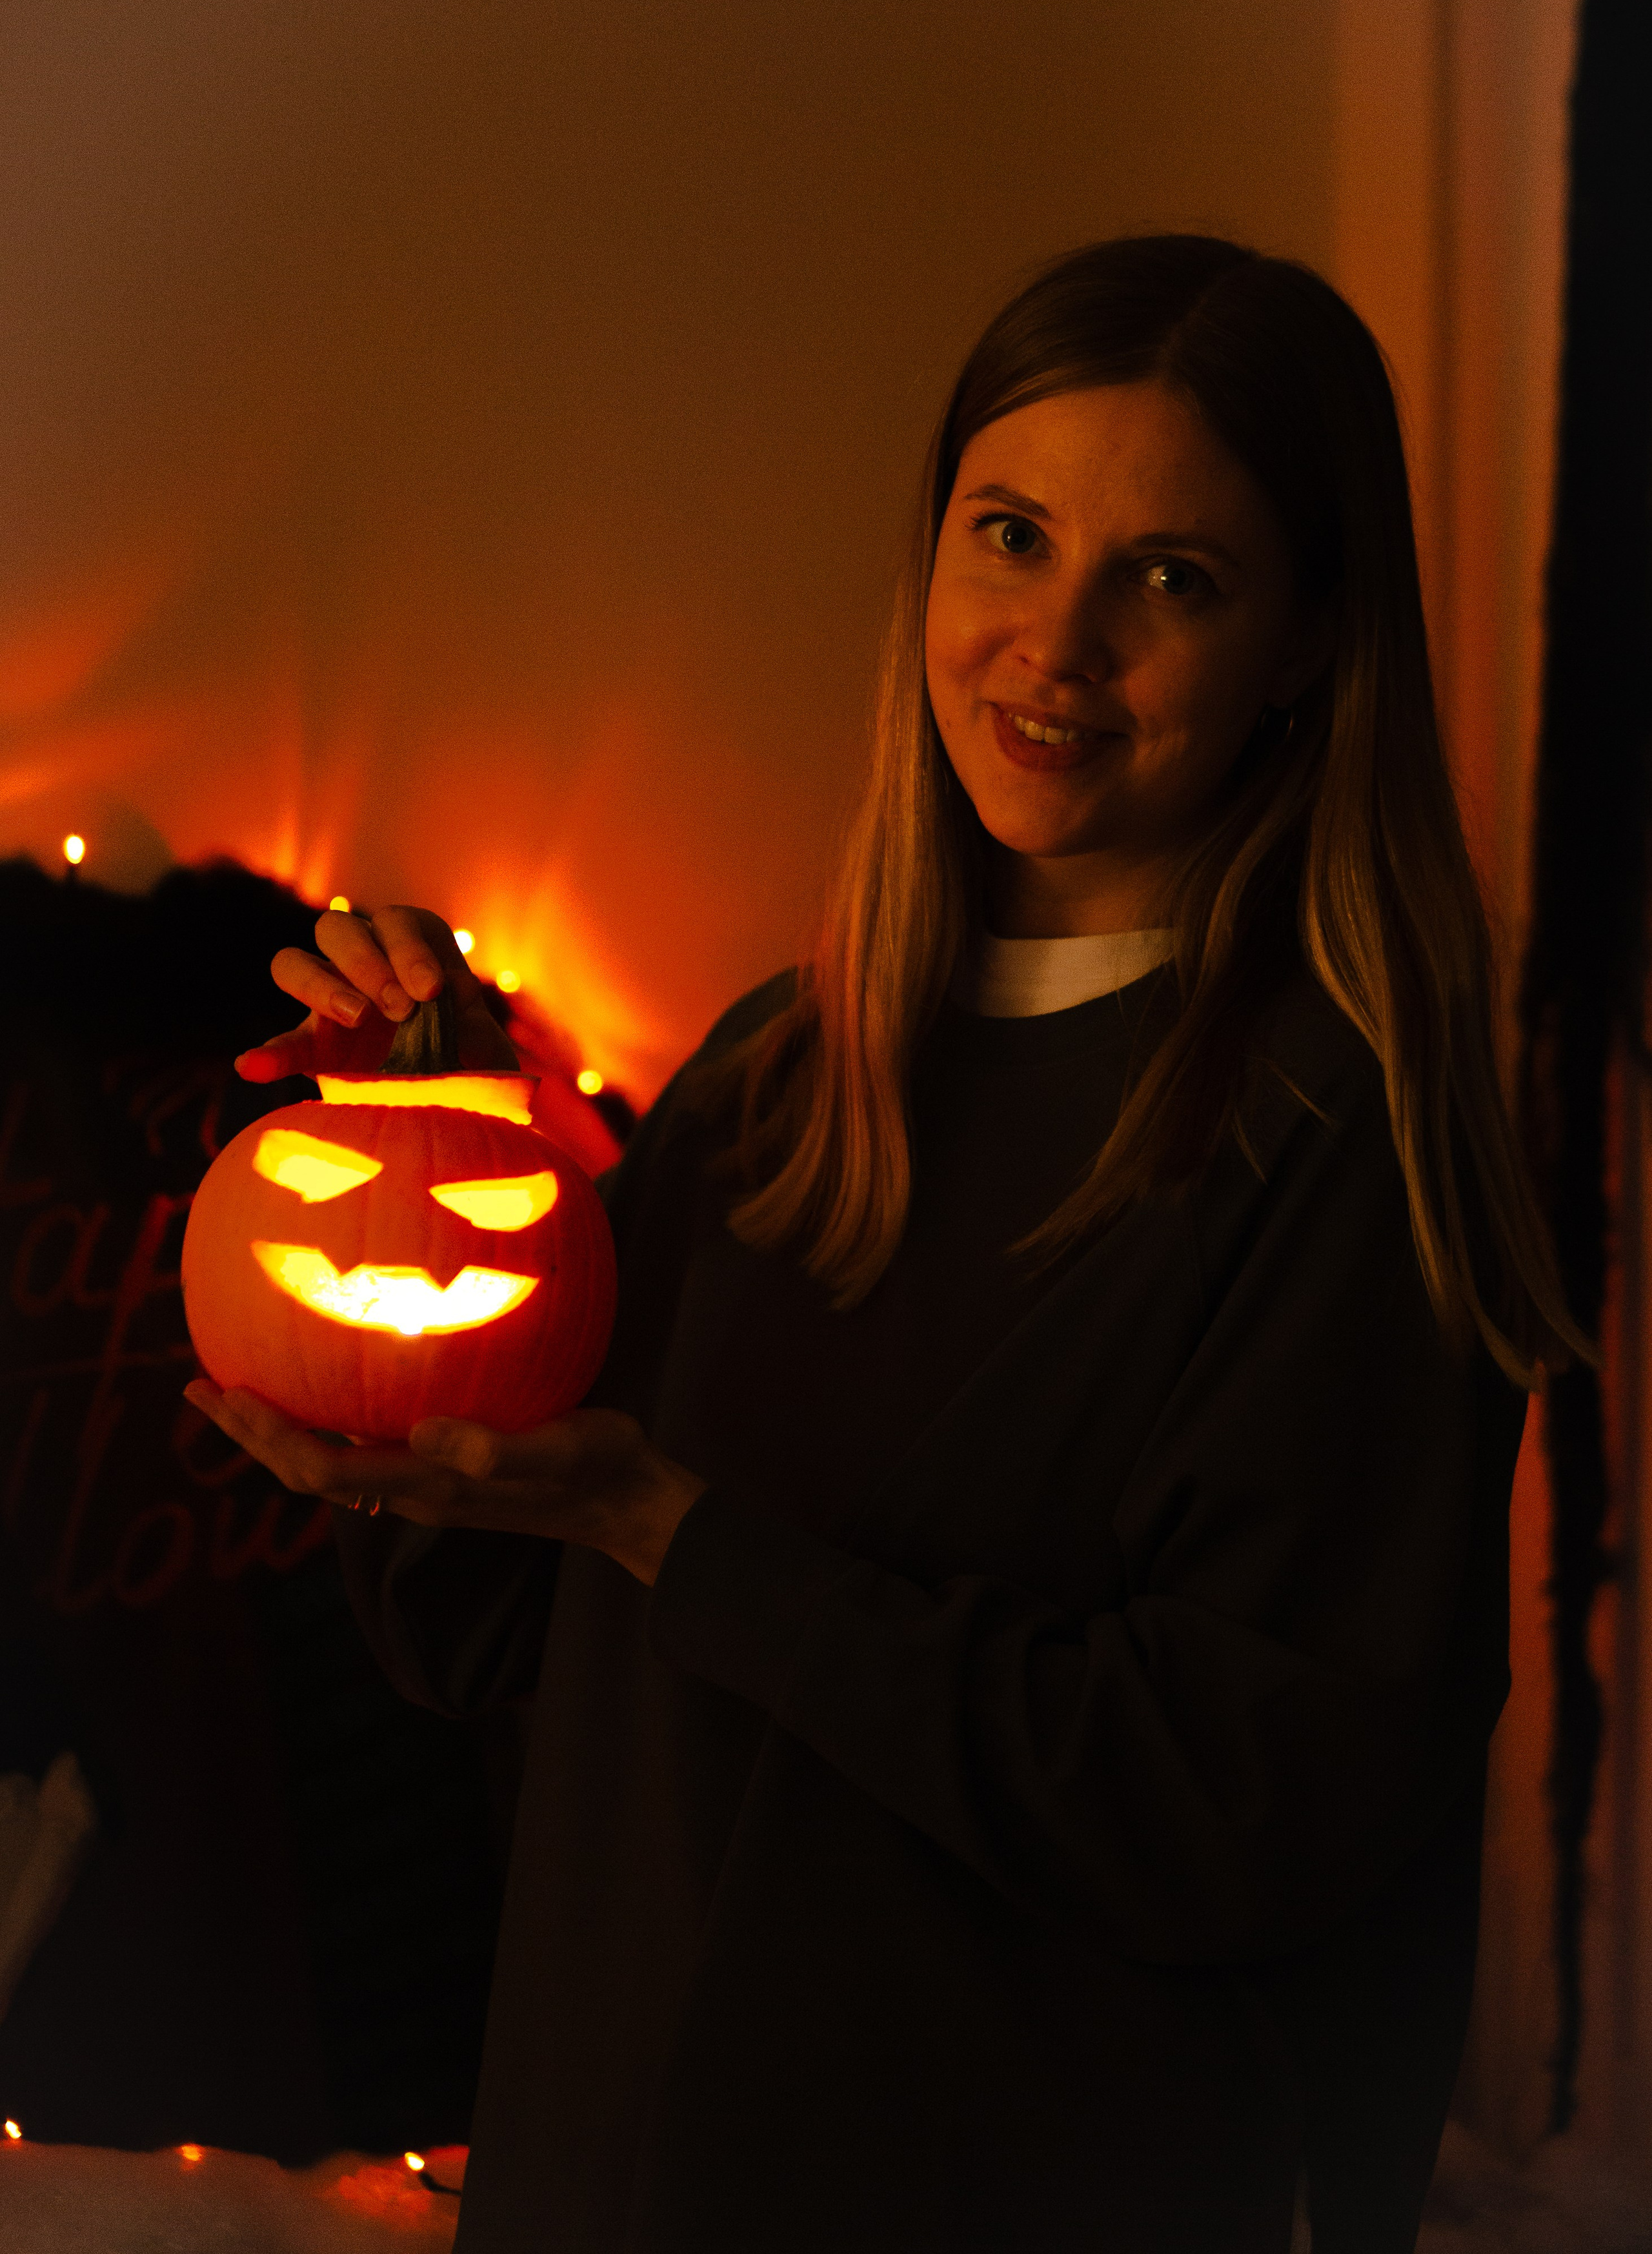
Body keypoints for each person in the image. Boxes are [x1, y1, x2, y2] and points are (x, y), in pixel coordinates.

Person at [187, 236, 1583, 2253]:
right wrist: (407, 1155)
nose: (1057, 646)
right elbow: (477, 1637)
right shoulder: (780, 1071)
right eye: (1011, 537)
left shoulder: (1344, 1139)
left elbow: (1237, 1816)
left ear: (1305, 645)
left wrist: (689, 1537)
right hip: (608, 2182)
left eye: (1171, 579)